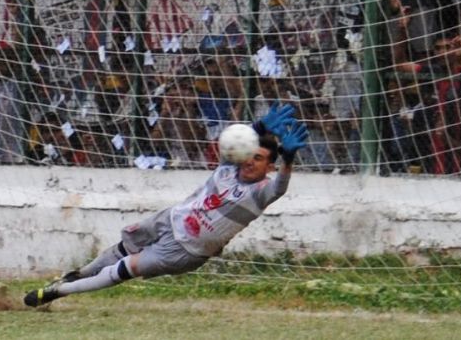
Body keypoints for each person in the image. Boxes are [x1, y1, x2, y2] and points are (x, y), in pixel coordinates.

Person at [23, 103, 308, 308]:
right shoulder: (229, 166)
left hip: (185, 250)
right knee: (121, 249)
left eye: (258, 159)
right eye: (250, 154)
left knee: (125, 267)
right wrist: (257, 127)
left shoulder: (261, 192)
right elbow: (234, 141)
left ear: (270, 166)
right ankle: (80, 274)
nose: (249, 161)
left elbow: (280, 187)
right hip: (169, 219)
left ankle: (58, 292)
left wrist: (289, 160)